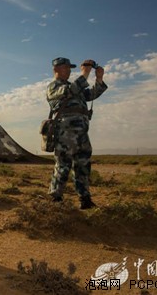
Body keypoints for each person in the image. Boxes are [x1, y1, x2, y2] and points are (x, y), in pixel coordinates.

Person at [46, 57, 108, 209]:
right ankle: (55, 199)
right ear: (56, 70)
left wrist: (99, 79)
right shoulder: (54, 87)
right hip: (65, 133)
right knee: (63, 166)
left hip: (81, 134)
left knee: (83, 166)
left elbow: (91, 95)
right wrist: (85, 73)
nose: (68, 70)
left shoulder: (74, 87)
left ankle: (85, 199)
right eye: (65, 68)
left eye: (69, 68)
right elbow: (70, 90)